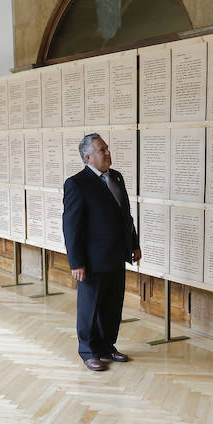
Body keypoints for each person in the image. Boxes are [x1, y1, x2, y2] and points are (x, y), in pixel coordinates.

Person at [62, 133, 141, 371]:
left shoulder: (116, 177)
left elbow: (125, 216)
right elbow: (71, 227)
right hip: (92, 260)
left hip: (117, 254)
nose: (107, 153)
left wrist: (134, 244)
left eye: (107, 148)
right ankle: (88, 351)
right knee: (90, 306)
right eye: (101, 150)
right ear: (88, 157)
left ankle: (106, 346)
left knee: (112, 305)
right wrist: (76, 262)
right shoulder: (76, 183)